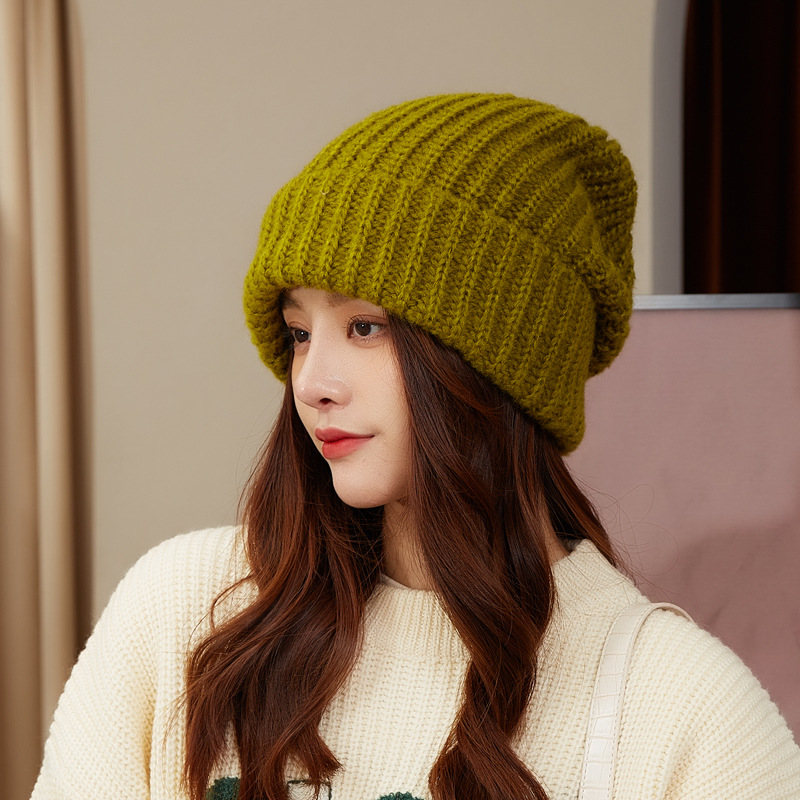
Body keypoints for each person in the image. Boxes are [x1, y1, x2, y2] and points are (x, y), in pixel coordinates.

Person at [31, 94, 800, 800]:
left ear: (498, 362)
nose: (311, 383)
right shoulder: (188, 612)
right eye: (300, 334)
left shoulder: (680, 707)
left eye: (365, 327)